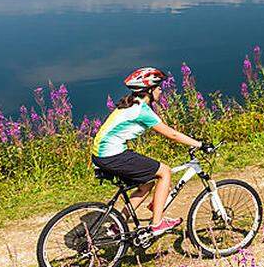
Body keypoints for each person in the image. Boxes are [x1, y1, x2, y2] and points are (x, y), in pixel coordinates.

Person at [90, 67, 211, 235]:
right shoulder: (142, 111)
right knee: (165, 172)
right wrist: (200, 144)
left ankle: (118, 224)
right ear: (149, 90)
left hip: (103, 155)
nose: (161, 90)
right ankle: (157, 224)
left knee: (146, 183)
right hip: (113, 155)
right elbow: (172, 134)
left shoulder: (131, 103)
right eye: (159, 87)